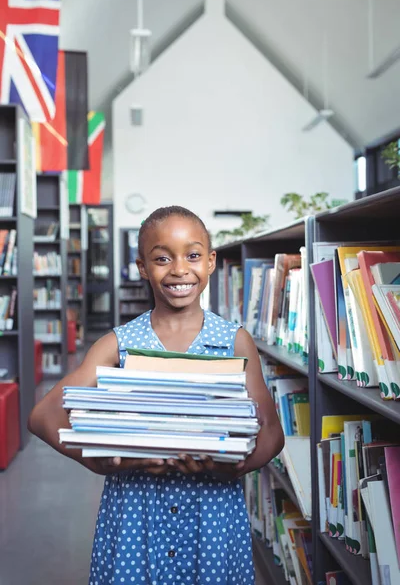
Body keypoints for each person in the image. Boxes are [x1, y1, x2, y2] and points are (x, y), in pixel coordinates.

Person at [29, 205, 284, 585]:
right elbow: (44, 416)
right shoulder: (118, 344)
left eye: (193, 255)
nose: (180, 269)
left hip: (212, 517)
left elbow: (272, 434)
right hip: (136, 515)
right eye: (162, 258)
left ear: (211, 262)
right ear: (142, 267)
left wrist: (234, 466)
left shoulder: (234, 341)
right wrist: (101, 462)